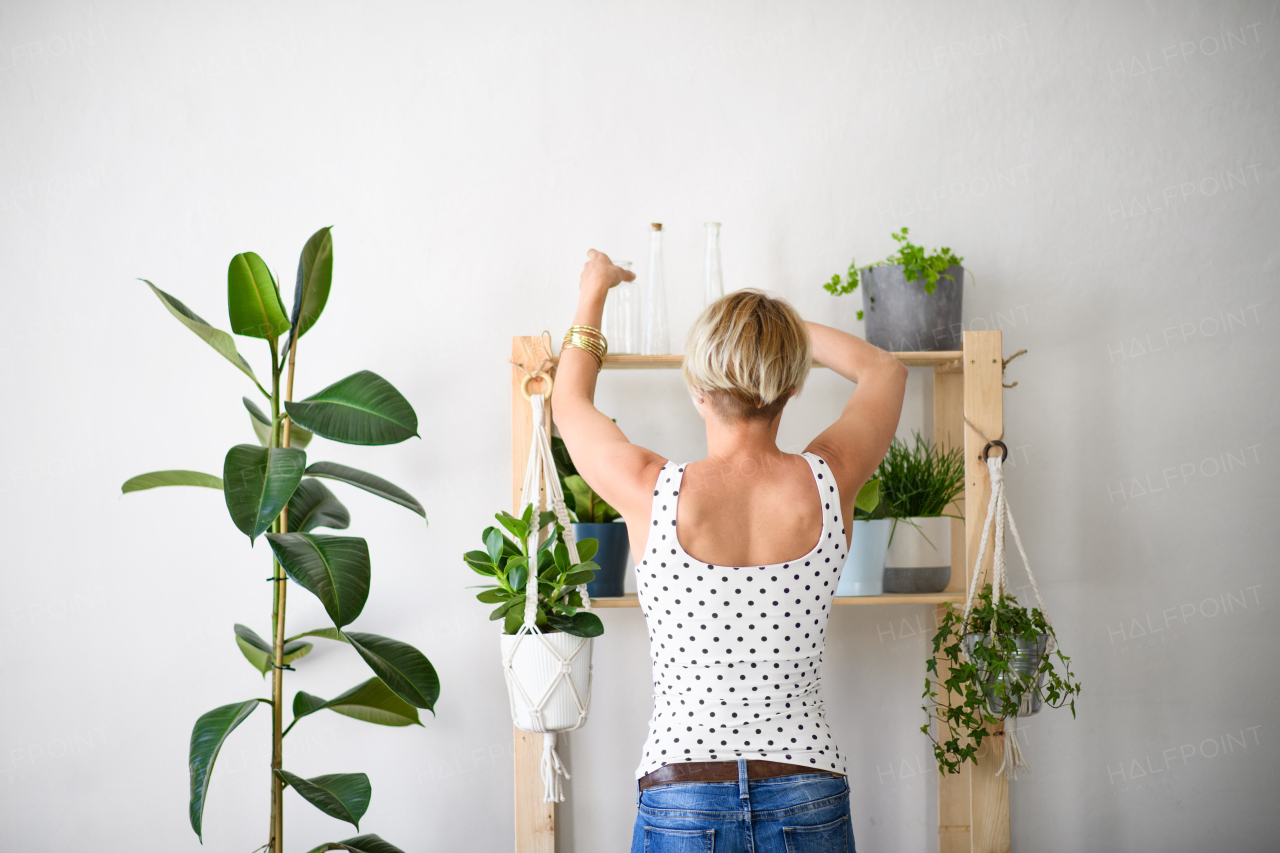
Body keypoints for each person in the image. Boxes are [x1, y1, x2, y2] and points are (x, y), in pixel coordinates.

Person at [553, 249, 907, 853]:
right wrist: (778, 334)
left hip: (683, 792)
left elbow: (570, 404)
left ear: (697, 388)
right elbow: (885, 371)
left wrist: (595, 289)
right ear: (792, 386)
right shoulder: (831, 478)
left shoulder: (650, 490)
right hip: (807, 787)